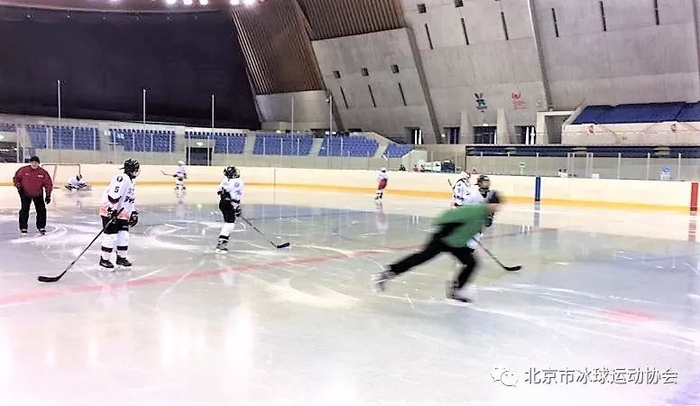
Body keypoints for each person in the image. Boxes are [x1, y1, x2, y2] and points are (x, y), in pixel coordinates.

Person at [375, 192, 501, 303]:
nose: (496, 207)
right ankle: (389, 272)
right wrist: (444, 228)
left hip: (457, 243)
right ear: (490, 203)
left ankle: (456, 290)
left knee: (471, 263)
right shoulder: (475, 210)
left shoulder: (484, 215)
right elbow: (448, 216)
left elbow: (472, 229)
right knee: (421, 257)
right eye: (495, 204)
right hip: (443, 238)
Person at [98, 159, 140, 269]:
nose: (137, 171)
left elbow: (129, 199)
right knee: (111, 236)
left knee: (124, 236)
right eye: (135, 169)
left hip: (122, 213)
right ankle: (104, 260)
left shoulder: (131, 181)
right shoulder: (122, 178)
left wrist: (132, 212)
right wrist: (111, 209)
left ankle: (121, 259)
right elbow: (113, 196)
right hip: (110, 211)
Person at [12, 156, 53, 235]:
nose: (34, 164)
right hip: (25, 193)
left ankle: (41, 226)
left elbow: (48, 184)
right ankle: (23, 227)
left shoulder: (43, 172)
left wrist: (48, 195)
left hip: (38, 194)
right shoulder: (23, 170)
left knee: (41, 210)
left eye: (36, 163)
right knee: (24, 210)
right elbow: (16, 179)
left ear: (38, 163)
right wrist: (19, 187)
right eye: (32, 162)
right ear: (30, 163)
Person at [216, 166, 244, 253]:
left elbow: (219, 191)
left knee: (228, 222)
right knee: (230, 223)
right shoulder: (238, 181)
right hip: (230, 204)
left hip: (222, 203)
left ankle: (222, 242)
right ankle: (222, 243)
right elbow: (235, 197)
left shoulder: (225, 180)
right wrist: (236, 207)